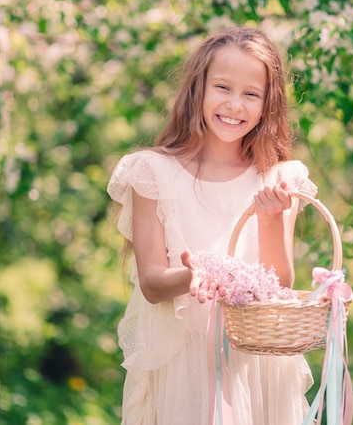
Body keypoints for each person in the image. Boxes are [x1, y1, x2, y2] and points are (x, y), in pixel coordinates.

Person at [107, 25, 318, 425]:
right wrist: (191, 276)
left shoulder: (276, 178)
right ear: (198, 89)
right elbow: (151, 282)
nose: (235, 105)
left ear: (267, 105)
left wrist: (271, 217)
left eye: (251, 94)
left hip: (256, 363)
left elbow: (280, 281)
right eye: (222, 87)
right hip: (186, 364)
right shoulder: (153, 173)